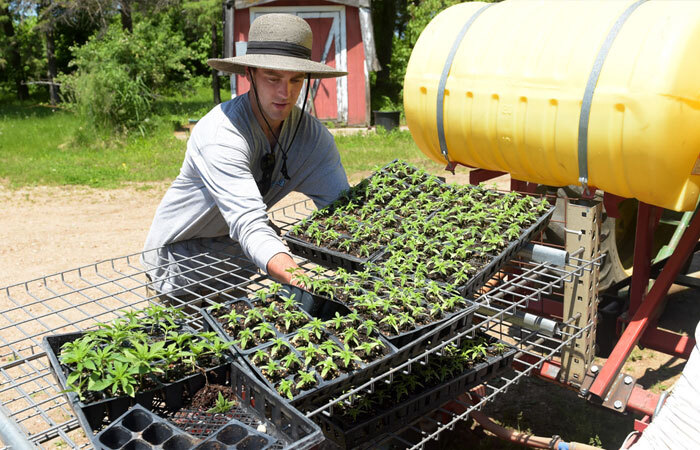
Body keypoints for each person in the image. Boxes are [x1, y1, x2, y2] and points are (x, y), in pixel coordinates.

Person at [141, 13, 350, 297]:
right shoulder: (222, 134)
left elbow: (344, 211)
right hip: (180, 266)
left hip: (235, 263)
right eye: (272, 78)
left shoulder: (312, 139)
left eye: (296, 80)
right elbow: (249, 223)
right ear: (249, 73)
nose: (284, 92)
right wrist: (301, 279)